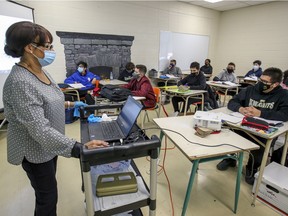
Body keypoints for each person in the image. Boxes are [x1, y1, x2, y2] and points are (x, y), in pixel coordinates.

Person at [3, 21, 109, 216]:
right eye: (48, 46)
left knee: (49, 191)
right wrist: (79, 148)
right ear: (29, 48)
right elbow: (39, 129)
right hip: (34, 148)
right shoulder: (21, 81)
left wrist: (71, 104)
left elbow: (47, 100)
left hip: (48, 145)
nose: (51, 50)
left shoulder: (39, 70)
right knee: (47, 198)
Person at [216, 67, 288, 185]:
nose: (261, 84)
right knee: (229, 132)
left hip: (263, 130)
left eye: (265, 82)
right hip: (244, 125)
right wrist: (240, 109)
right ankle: (230, 158)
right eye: (261, 80)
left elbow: (285, 115)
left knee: (261, 143)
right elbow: (232, 101)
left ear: (275, 84)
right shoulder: (251, 89)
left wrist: (260, 113)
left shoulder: (283, 95)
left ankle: (252, 167)